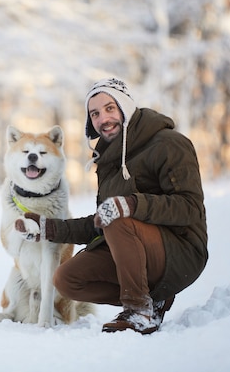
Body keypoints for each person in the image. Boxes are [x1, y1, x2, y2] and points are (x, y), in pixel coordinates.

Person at [15, 77, 208, 334]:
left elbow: (189, 207)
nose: (103, 118)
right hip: (133, 247)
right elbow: (102, 222)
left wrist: (130, 205)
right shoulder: (108, 160)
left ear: (125, 107)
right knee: (66, 279)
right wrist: (49, 229)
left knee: (118, 217)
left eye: (109, 108)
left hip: (181, 250)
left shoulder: (169, 144)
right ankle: (153, 298)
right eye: (94, 113)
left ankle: (139, 310)